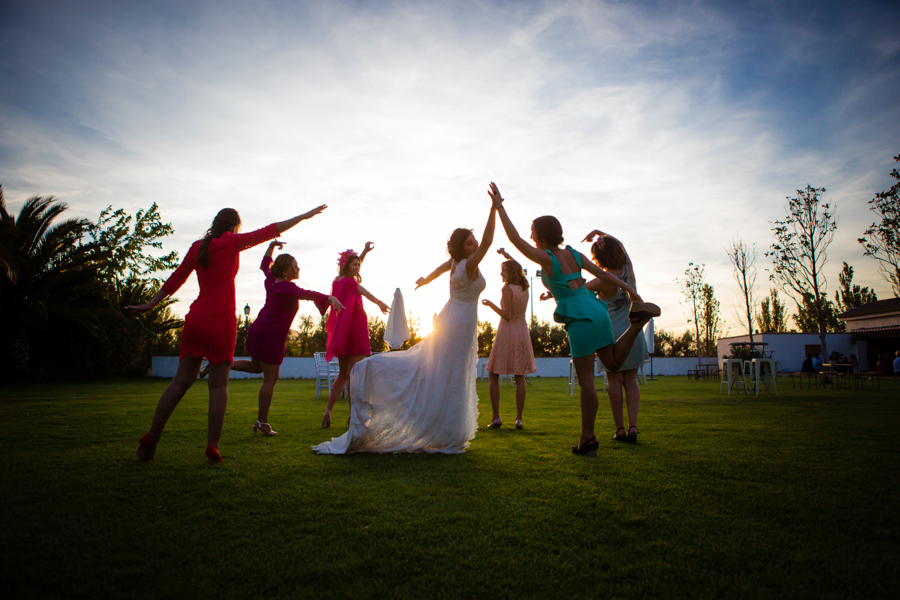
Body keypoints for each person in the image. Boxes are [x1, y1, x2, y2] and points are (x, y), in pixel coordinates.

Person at [130, 205, 327, 463]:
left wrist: (151, 304)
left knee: (179, 383)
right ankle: (212, 446)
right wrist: (302, 216)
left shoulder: (197, 247)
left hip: (195, 319)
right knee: (218, 386)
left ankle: (151, 438)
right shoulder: (231, 242)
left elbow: (176, 278)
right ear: (234, 227)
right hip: (221, 321)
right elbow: (269, 230)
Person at [313, 193, 497, 454]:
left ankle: (445, 427)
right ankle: (444, 429)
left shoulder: (456, 261)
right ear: (462, 248)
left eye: (473, 240)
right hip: (459, 323)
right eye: (470, 242)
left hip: (454, 319)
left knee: (445, 371)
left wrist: (426, 280)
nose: (475, 244)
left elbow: (440, 269)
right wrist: (494, 209)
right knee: (451, 373)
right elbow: (488, 242)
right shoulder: (468, 263)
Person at [489, 183, 659, 456]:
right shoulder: (574, 254)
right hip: (597, 310)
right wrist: (630, 290)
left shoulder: (547, 258)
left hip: (580, 318)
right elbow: (604, 275)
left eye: (533, 231)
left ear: (542, 235)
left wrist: (499, 207)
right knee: (613, 363)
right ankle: (636, 325)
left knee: (586, 381)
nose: (531, 236)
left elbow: (515, 240)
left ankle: (588, 438)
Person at [215, 240, 344, 436]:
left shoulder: (271, 282)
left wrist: (270, 247)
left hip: (259, 330)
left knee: (256, 367)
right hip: (270, 336)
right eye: (295, 266)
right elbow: (308, 294)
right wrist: (330, 298)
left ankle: (221, 363)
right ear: (285, 271)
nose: (298, 268)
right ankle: (262, 422)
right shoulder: (287, 287)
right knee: (270, 380)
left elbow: (264, 265)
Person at [582, 229, 649, 443]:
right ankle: (633, 426)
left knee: (614, 379)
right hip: (632, 330)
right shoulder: (628, 270)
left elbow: (578, 290)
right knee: (631, 379)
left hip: (610, 333)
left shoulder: (601, 280)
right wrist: (601, 233)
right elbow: (621, 246)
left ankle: (619, 429)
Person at [321, 243, 390, 428]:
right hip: (356, 329)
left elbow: (352, 271)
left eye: (359, 265)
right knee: (355, 377)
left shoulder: (337, 281)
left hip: (342, 331)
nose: (358, 268)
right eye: (355, 265)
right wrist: (380, 303)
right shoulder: (351, 283)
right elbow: (365, 292)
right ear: (346, 266)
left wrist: (364, 253)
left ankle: (328, 412)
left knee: (343, 375)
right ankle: (352, 417)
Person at [481, 248, 536, 430]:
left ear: (510, 272)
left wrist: (490, 305)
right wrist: (507, 255)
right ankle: (519, 419)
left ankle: (496, 417)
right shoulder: (524, 288)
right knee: (519, 376)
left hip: (507, 332)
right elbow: (519, 267)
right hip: (522, 331)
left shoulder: (507, 289)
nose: (501, 273)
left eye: (503, 270)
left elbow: (507, 315)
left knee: (493, 373)